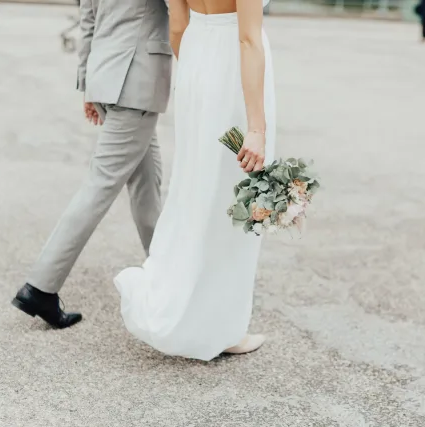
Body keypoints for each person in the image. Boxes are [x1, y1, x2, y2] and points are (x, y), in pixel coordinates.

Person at [113, 0, 276, 360]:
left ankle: (195, 308)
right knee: (235, 201)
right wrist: (256, 128)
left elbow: (177, 25)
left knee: (195, 192)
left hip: (196, 68)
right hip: (234, 76)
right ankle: (225, 328)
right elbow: (248, 39)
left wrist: (197, 75)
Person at [11, 0, 172, 328]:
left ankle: (167, 276)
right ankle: (40, 287)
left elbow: (88, 17)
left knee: (147, 185)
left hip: (108, 74)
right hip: (136, 80)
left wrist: (87, 82)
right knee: (99, 186)